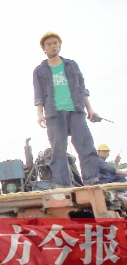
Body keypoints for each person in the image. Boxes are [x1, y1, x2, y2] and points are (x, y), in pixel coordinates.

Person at [33, 32, 101, 188]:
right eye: (48, 44)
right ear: (44, 48)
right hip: (54, 113)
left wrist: (90, 109)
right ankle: (63, 184)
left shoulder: (71, 65)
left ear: (59, 45)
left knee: (85, 145)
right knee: (58, 149)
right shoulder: (39, 70)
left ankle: (91, 179)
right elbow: (38, 93)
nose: (52, 46)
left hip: (75, 110)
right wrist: (39, 114)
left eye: (55, 43)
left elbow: (81, 88)